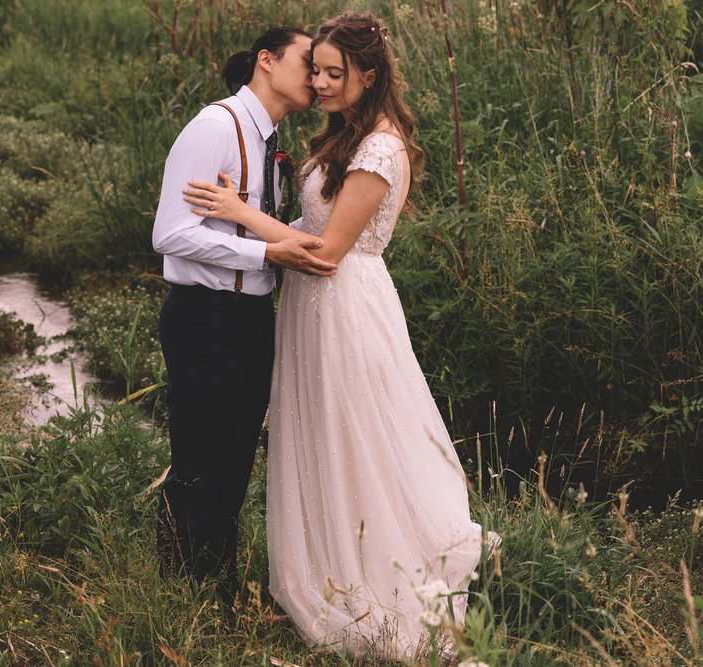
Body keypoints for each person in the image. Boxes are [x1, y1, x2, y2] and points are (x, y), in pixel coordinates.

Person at [184, 11, 496, 660]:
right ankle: (326, 559)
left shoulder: (380, 147)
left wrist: (241, 215)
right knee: (318, 431)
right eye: (316, 70)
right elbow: (309, 228)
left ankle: (376, 573)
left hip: (346, 303)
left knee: (357, 434)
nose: (321, 83)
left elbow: (328, 251)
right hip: (312, 306)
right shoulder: (342, 136)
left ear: (370, 75)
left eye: (335, 73)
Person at [151, 26, 337, 609]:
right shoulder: (216, 127)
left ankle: (214, 585)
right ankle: (188, 595)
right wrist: (264, 253)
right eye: (308, 62)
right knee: (202, 457)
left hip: (253, 317)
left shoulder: (270, 138)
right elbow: (170, 233)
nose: (315, 76)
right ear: (266, 60)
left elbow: (256, 223)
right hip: (205, 317)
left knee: (233, 458)